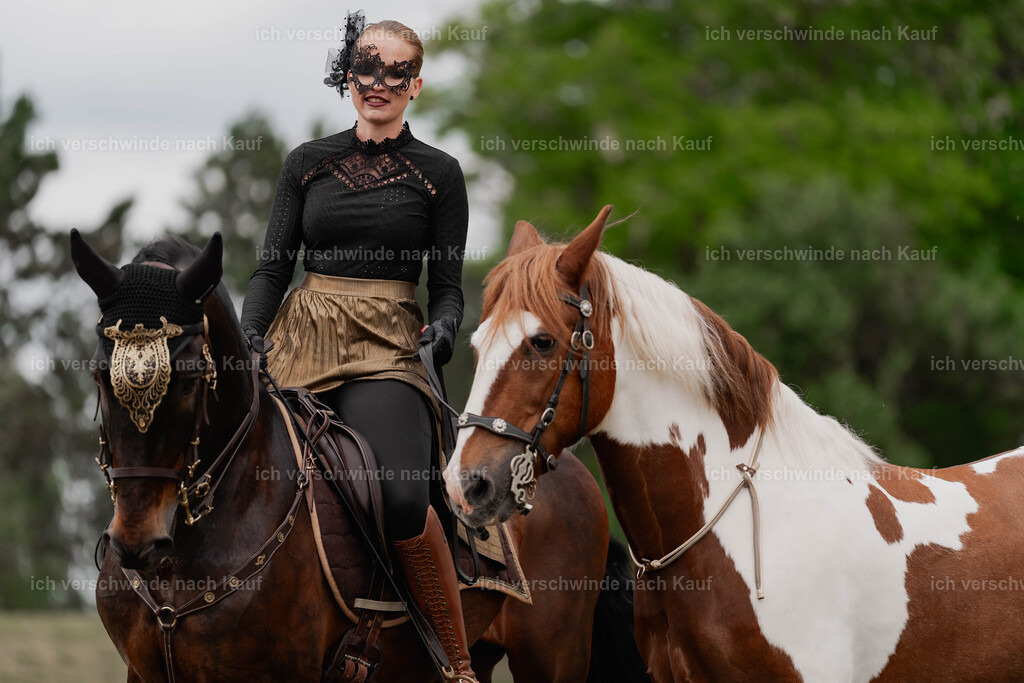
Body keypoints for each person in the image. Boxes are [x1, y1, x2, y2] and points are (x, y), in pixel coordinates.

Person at [239, 13, 476, 681]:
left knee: (402, 495)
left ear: (416, 85)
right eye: (367, 66)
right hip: (300, 335)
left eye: (395, 72)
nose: (378, 82)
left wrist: (446, 330)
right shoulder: (306, 164)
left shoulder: (441, 174)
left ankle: (453, 662)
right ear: (349, 73)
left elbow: (448, 289)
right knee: (239, 466)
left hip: (389, 346)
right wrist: (250, 334)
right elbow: (271, 267)